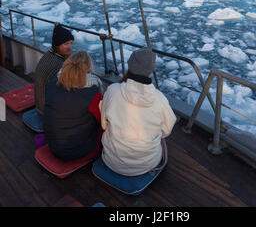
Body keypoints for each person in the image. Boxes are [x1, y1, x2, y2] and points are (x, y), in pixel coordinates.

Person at [100, 48, 177, 176]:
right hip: (146, 164)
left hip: (111, 160)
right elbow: (166, 131)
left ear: (130, 65)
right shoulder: (160, 99)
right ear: (151, 69)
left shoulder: (113, 90)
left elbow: (104, 124)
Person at [43, 51, 103, 160]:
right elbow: (101, 121)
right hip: (77, 151)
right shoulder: (93, 93)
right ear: (88, 70)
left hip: (53, 145)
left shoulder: (51, 85)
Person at [34, 23, 74, 116]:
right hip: (46, 110)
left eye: (71, 43)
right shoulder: (58, 64)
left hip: (41, 103)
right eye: (66, 44)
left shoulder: (50, 54)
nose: (70, 47)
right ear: (57, 45)